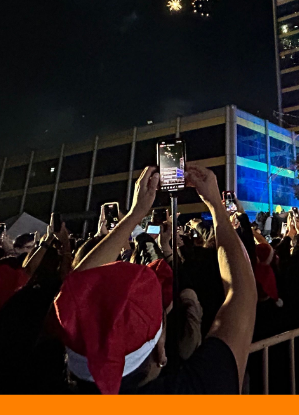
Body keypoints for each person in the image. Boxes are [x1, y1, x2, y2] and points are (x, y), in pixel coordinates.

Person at [56, 163, 256, 393]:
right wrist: (215, 206)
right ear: (160, 349)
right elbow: (243, 293)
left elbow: (77, 286)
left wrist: (135, 214)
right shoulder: (198, 390)